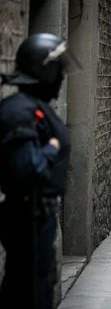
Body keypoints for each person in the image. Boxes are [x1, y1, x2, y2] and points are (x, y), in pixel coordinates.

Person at [0, 33, 78, 308]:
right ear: (44, 70)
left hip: (38, 216)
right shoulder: (20, 111)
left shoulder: (36, 108)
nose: (60, 78)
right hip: (27, 215)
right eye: (57, 70)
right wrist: (52, 146)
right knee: (29, 291)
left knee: (36, 284)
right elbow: (27, 168)